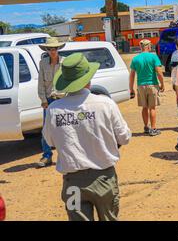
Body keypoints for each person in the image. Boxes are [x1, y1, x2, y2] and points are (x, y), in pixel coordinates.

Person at [43, 53, 131, 221]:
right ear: (88, 79)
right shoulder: (106, 104)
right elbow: (124, 137)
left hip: (72, 183)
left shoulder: (54, 109)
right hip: (104, 179)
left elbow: (49, 141)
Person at [36, 37, 66, 168]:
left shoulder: (65, 62)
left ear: (58, 49)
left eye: (54, 49)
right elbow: (40, 83)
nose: (52, 51)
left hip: (62, 99)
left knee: (64, 127)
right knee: (46, 129)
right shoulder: (42, 63)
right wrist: (43, 100)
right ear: (47, 50)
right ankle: (47, 156)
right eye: (50, 49)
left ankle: (65, 155)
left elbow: (67, 81)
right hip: (48, 99)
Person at [129, 39, 165, 136]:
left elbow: (132, 75)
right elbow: (159, 72)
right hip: (152, 84)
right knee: (152, 108)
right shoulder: (153, 57)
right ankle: (153, 129)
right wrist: (162, 84)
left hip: (141, 86)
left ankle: (146, 127)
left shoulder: (135, 59)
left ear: (140, 47)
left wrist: (131, 88)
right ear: (149, 46)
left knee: (144, 107)